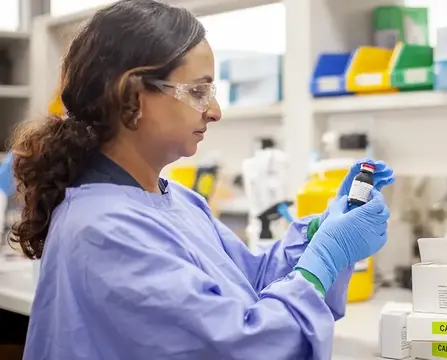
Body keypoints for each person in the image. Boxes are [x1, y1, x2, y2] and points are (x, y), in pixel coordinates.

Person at [10, 1, 395, 359]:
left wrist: (320, 233)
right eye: (198, 91)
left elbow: (251, 284)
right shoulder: (104, 232)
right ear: (133, 97)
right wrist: (325, 259)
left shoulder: (175, 200)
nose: (215, 111)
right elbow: (243, 346)